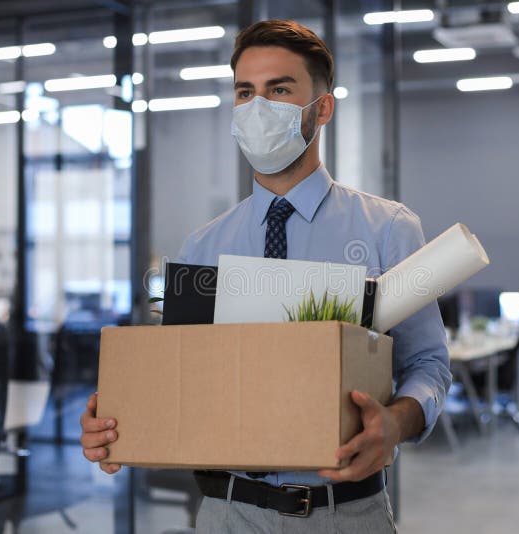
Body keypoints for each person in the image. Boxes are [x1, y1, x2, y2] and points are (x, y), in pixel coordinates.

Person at [80, 19, 451, 533]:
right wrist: (116, 416)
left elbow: (429, 363)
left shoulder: (389, 229)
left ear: (322, 107)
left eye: (279, 90)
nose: (258, 107)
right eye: (245, 92)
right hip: (225, 515)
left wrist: (397, 422)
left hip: (344, 515)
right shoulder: (202, 248)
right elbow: (181, 381)